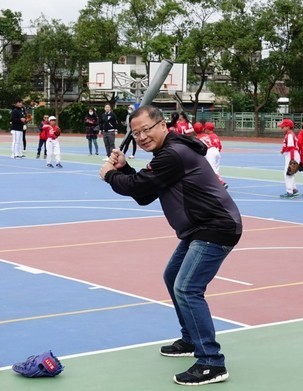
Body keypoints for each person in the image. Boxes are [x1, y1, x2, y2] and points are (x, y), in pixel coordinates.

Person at [99, 105, 242, 386]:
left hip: (215, 227)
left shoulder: (173, 154)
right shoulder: (167, 154)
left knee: (187, 288)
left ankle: (211, 362)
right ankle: (191, 338)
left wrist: (110, 175)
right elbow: (145, 194)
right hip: (198, 228)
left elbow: (139, 186)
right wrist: (124, 169)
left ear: (163, 126)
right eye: (136, 132)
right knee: (173, 277)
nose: (141, 137)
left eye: (146, 130)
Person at [193, 121, 227, 189]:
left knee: (212, 170)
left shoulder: (196, 139)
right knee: (215, 170)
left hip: (209, 152)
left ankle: (222, 183)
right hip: (215, 150)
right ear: (203, 129)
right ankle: (214, 184)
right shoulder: (207, 136)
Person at [278, 118, 300, 198]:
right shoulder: (289, 134)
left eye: (283, 127)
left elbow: (291, 147)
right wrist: (283, 151)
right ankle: (294, 189)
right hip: (292, 154)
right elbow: (287, 146)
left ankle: (289, 192)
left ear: (288, 127)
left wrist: (292, 159)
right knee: (291, 173)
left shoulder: (290, 135)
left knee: (288, 174)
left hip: (292, 154)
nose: (281, 128)